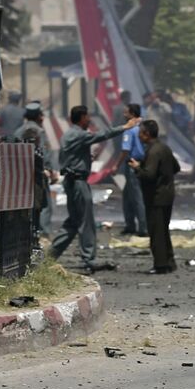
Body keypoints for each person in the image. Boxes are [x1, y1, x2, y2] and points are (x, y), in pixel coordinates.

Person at [50, 105, 137, 273]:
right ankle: (89, 259)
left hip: (73, 181)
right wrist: (125, 127)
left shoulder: (70, 134)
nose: (89, 120)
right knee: (86, 221)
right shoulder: (79, 134)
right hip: (78, 182)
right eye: (87, 117)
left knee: (73, 222)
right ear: (82, 118)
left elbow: (71, 156)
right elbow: (102, 135)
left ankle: (49, 256)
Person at [130, 120, 179, 274]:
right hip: (167, 194)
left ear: (147, 134)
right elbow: (176, 167)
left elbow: (149, 175)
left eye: (140, 133)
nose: (139, 136)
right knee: (163, 230)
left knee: (156, 231)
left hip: (156, 197)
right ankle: (169, 262)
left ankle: (161, 265)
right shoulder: (164, 148)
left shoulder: (153, 151)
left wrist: (137, 168)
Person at [15, 102, 57, 238]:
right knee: (44, 204)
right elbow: (45, 153)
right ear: (38, 116)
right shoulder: (39, 131)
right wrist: (50, 170)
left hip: (22, 174)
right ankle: (43, 233)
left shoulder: (18, 131)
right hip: (39, 173)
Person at [119, 103, 148, 237]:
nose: (124, 115)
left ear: (132, 114)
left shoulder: (129, 131)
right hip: (142, 163)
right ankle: (130, 224)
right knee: (127, 196)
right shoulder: (143, 128)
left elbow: (125, 150)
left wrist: (116, 165)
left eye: (126, 112)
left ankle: (143, 227)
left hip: (132, 164)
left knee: (137, 197)